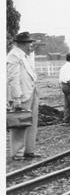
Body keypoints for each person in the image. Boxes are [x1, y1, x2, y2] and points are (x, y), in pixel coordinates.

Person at [6, 32, 41, 161]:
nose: (30, 45)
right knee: (19, 124)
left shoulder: (25, 56)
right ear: (23, 44)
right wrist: (16, 98)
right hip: (21, 96)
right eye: (29, 43)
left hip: (31, 93)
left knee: (31, 124)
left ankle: (29, 151)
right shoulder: (13, 56)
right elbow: (13, 79)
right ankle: (17, 154)